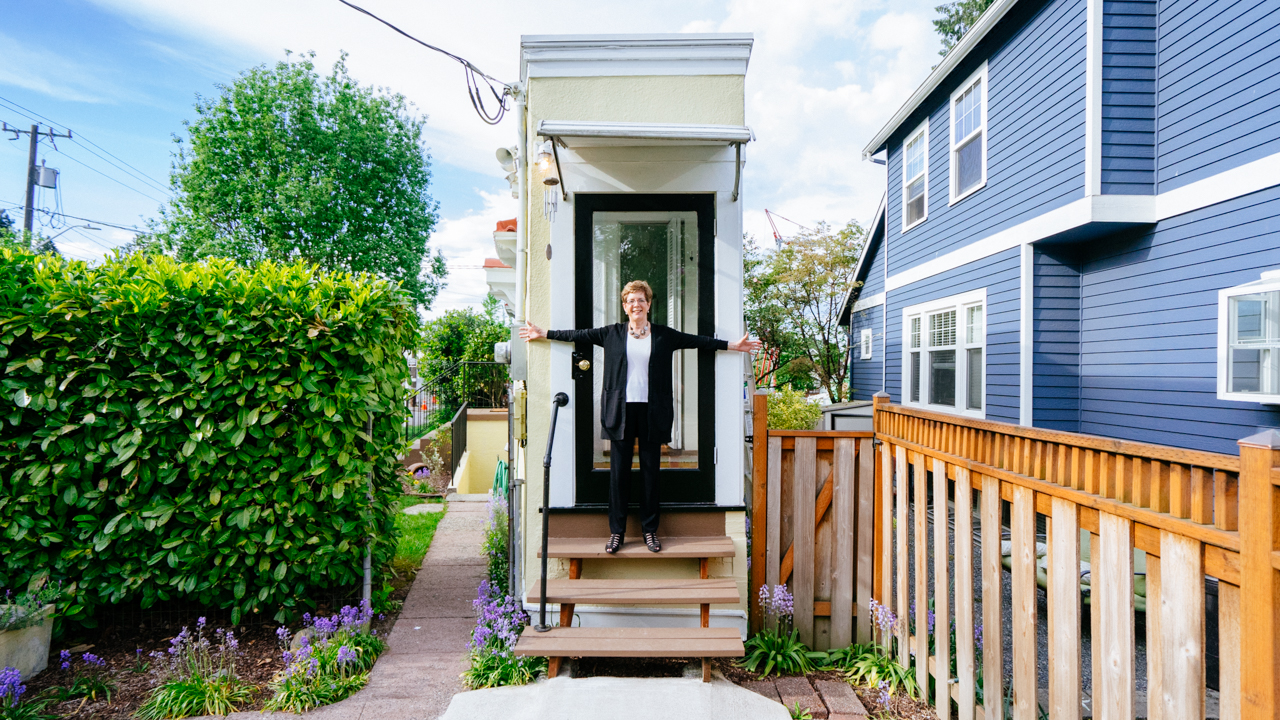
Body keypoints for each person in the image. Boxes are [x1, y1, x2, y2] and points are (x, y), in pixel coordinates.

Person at [520, 279, 761, 554]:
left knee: (650, 473)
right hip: (620, 410)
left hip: (652, 411)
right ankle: (617, 532)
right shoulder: (611, 333)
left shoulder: (663, 335)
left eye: (641, 300)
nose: (636, 304)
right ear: (625, 307)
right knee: (618, 475)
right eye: (631, 301)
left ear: (648, 305)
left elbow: (698, 341)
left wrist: (733, 345)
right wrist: (544, 333)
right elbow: (579, 335)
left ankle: (650, 530)